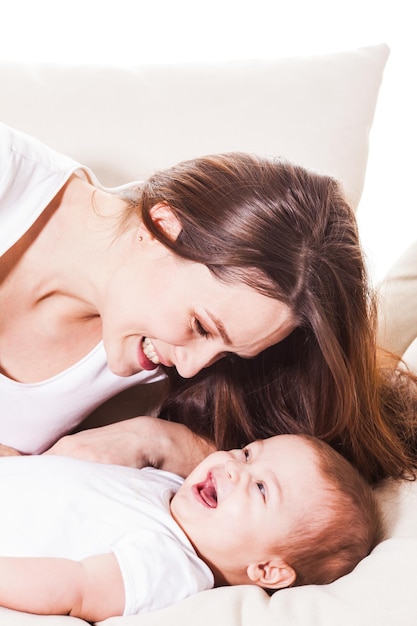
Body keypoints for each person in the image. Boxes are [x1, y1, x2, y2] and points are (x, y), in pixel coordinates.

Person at [1, 121, 417, 483]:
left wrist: (162, 442)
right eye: (201, 326)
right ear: (162, 227)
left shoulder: (151, 364)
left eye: (225, 355)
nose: (189, 366)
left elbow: (310, 480)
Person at [0, 434, 382, 621]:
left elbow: (74, 587)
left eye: (262, 488)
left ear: (267, 570)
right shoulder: (170, 490)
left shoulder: (172, 566)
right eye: (248, 453)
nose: (235, 466)